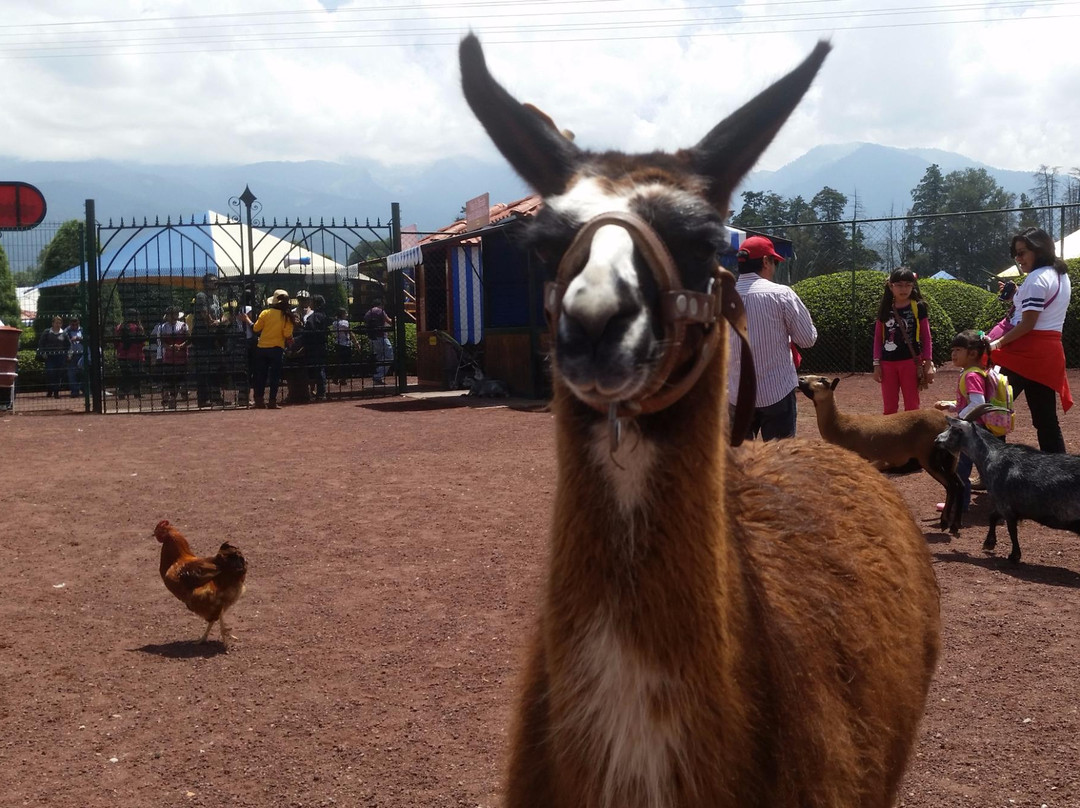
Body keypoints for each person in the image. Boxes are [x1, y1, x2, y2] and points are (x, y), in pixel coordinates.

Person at [989, 227, 1072, 452]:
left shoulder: (1036, 279)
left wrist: (997, 343)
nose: (1018, 258)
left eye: (1022, 252)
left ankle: (993, 472)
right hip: (1048, 355)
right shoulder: (1061, 274)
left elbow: (1028, 324)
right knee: (1046, 420)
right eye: (1016, 253)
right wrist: (1017, 294)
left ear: (1039, 249)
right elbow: (1042, 312)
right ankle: (1060, 475)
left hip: (1024, 353)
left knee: (994, 412)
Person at [726, 235, 817, 440]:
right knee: (780, 464)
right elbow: (807, 339)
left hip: (736, 394)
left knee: (738, 464)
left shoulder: (723, 298)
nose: (774, 267)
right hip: (776, 391)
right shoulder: (781, 294)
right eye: (774, 261)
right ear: (765, 261)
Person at [934, 330, 1006, 513]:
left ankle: (959, 504)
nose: (953, 354)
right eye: (953, 350)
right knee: (988, 470)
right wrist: (951, 405)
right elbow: (970, 401)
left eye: (958, 349)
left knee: (960, 470)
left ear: (973, 353)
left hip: (973, 432)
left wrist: (957, 420)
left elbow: (978, 404)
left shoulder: (971, 375)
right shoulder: (975, 372)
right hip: (980, 431)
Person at [872, 266, 935, 414]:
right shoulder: (885, 308)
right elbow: (878, 338)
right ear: (890, 286)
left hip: (911, 362)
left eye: (908, 285)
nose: (904, 289)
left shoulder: (918, 307)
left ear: (913, 286)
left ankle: (912, 437)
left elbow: (926, 336)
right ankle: (890, 436)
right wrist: (876, 363)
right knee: (889, 408)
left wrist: (928, 362)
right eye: (899, 285)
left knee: (912, 407)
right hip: (887, 364)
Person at [251, 289, 295, 409]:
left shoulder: (265, 313)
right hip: (277, 348)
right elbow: (287, 334)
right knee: (275, 376)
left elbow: (255, 328)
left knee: (261, 375)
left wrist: (248, 321)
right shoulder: (287, 316)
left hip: (262, 347)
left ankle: (259, 400)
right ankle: (272, 401)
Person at [192, 272, 224, 408]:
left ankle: (216, 396)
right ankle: (203, 398)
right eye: (212, 281)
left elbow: (223, 315)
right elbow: (205, 316)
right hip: (202, 336)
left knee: (216, 367)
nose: (215, 283)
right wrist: (215, 322)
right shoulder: (201, 296)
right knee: (204, 368)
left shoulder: (216, 298)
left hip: (214, 335)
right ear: (205, 284)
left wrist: (219, 322)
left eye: (216, 281)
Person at [157, 306, 189, 409]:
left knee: (179, 378)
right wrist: (170, 347)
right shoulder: (162, 327)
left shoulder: (183, 325)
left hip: (181, 356)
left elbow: (189, 339)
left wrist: (181, 346)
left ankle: (173, 397)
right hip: (169, 357)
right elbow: (161, 342)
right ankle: (171, 397)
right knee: (170, 378)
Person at [301, 294, 330, 401]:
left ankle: (320, 392)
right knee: (319, 369)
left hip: (314, 345)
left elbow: (310, 331)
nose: (310, 303)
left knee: (317, 369)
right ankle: (320, 392)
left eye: (311, 301)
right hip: (320, 344)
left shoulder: (314, 316)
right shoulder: (323, 315)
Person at [114, 310, 146, 399]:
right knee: (137, 374)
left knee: (125, 374)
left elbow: (116, 342)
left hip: (122, 355)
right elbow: (142, 342)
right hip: (136, 355)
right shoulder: (138, 327)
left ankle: (122, 391)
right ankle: (136, 392)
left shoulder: (119, 327)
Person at [363, 298, 394, 385]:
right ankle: (378, 375)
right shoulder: (380, 311)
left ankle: (377, 375)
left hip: (372, 337)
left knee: (380, 357)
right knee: (389, 356)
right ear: (381, 304)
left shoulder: (368, 313)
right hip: (381, 336)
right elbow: (389, 321)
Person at [38, 316, 70, 398]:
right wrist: (43, 352)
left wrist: (69, 354)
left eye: (59, 323)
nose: (57, 324)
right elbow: (41, 343)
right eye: (56, 323)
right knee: (50, 372)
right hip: (49, 357)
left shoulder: (64, 333)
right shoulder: (47, 332)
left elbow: (69, 345)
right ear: (52, 323)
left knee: (58, 374)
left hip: (60, 357)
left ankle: (56, 392)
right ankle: (50, 389)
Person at [332, 307, 361, 385]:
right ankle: (340, 378)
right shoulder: (344, 322)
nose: (347, 315)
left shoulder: (335, 323)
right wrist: (356, 343)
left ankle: (341, 378)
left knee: (341, 362)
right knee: (346, 363)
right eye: (345, 313)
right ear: (342, 314)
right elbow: (350, 333)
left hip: (338, 343)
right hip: (345, 344)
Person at [63, 316, 84, 396]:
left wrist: (79, 338)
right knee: (71, 373)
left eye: (76, 324)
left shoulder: (82, 329)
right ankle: (74, 391)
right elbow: (61, 340)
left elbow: (87, 338)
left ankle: (84, 389)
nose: (74, 326)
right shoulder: (66, 331)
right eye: (73, 325)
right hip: (71, 355)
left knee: (83, 373)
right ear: (70, 324)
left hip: (82, 354)